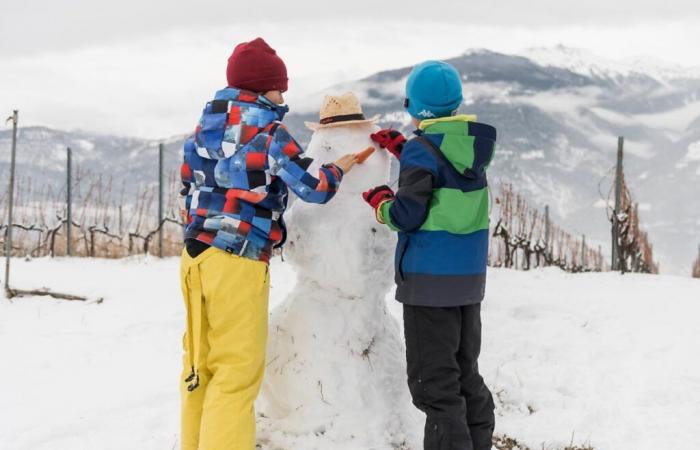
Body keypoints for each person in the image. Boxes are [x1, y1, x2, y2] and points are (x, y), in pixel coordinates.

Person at [178, 37, 357, 450]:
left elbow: (187, 190)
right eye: (280, 86)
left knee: (197, 367)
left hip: (194, 257)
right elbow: (313, 188)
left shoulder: (198, 131)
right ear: (263, 87)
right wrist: (339, 167)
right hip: (238, 260)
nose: (285, 94)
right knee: (236, 373)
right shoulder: (269, 131)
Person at [362, 60, 497, 450]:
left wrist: (381, 201)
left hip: (428, 286)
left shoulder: (422, 152)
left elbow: (409, 214)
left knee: (433, 387)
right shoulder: (471, 147)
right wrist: (405, 150)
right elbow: (445, 175)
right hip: (467, 284)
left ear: (414, 107)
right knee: (465, 372)